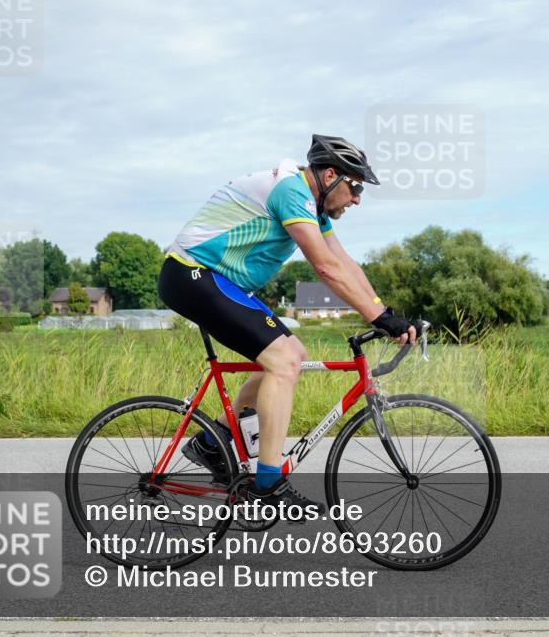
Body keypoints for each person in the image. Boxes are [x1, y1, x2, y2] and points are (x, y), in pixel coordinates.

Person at [157, 134, 415, 512]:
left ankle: (212, 444)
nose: (358, 198)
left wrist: (384, 311)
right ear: (331, 176)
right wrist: (378, 317)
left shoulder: (312, 205)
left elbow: (342, 261)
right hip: (192, 274)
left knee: (292, 353)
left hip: (217, 281)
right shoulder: (291, 191)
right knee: (284, 360)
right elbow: (325, 268)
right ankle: (268, 483)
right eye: (355, 186)